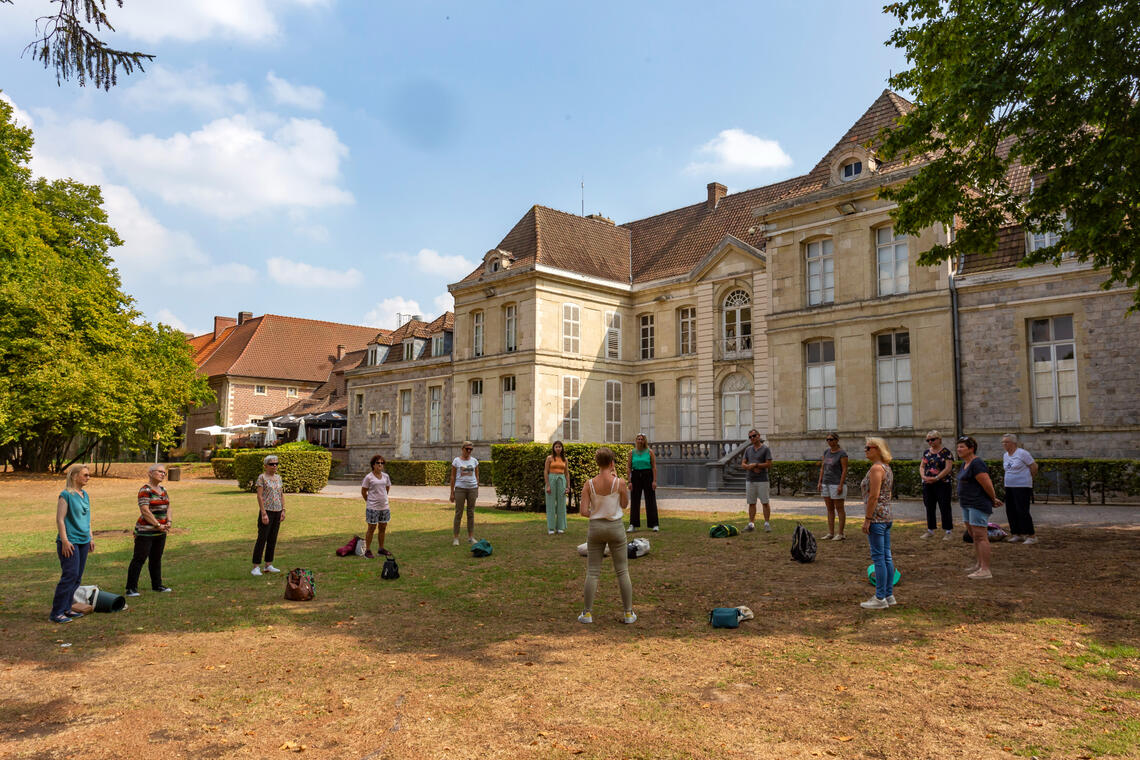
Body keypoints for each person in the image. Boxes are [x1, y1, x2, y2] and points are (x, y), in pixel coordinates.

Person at [577, 447, 635, 624]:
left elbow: (583, 512)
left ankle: (587, 613)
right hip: (615, 527)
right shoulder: (620, 483)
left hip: (596, 527)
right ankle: (628, 613)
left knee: (593, 572)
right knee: (622, 571)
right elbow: (625, 505)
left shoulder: (589, 484)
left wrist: (597, 511)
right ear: (612, 463)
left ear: (597, 463)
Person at [50, 463, 94, 623]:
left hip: (83, 540)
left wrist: (91, 537)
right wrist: (65, 541)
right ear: (75, 476)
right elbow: (60, 520)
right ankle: (56, 613)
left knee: (77, 578)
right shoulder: (65, 495)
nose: (88, 477)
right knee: (70, 575)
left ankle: (67, 608)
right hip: (70, 541)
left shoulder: (85, 494)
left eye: (88, 475)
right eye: (85, 475)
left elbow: (87, 518)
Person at [956, 436, 1003, 579]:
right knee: (973, 535)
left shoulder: (977, 464)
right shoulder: (964, 463)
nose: (959, 449)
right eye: (958, 447)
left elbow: (987, 484)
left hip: (977, 503)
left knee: (980, 536)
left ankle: (985, 569)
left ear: (971, 449)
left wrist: (992, 498)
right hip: (966, 504)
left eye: (962, 447)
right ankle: (979, 564)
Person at [125, 463, 172, 597]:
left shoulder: (163, 490)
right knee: (139, 559)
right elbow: (145, 511)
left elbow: (168, 507)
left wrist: (168, 522)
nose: (163, 474)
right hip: (145, 531)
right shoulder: (145, 490)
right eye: (160, 472)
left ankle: (157, 585)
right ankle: (131, 588)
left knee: (156, 559)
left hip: (161, 531)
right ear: (150, 473)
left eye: (164, 472)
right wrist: (158, 524)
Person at [860, 437, 896, 610]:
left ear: (877, 449)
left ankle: (880, 597)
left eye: (868, 448)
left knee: (879, 559)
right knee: (886, 556)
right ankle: (888, 595)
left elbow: (874, 496)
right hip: (886, 516)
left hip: (877, 518)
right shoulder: (886, 468)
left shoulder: (876, 469)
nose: (865, 450)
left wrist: (867, 519)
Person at [1001, 434, 1038, 544]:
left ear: (1013, 443)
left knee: (1022, 510)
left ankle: (1031, 535)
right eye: (1003, 442)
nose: (1004, 444)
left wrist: (1029, 478)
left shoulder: (1022, 453)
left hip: (1022, 486)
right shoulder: (1005, 455)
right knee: (1011, 510)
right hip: (1009, 485)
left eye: (1006, 442)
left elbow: (1034, 466)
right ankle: (1017, 533)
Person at [251, 455, 285, 576]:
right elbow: (259, 496)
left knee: (272, 538)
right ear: (266, 466)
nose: (274, 466)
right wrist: (263, 513)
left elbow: (281, 494)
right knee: (262, 538)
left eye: (276, 464)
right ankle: (256, 566)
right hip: (267, 511)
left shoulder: (278, 478)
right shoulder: (262, 478)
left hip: (277, 510)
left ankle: (268, 564)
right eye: (272, 464)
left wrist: (283, 510)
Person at [920, 430, 955, 540]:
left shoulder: (946, 452)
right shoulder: (926, 452)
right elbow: (922, 466)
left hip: (942, 484)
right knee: (929, 506)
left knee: (944, 506)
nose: (930, 442)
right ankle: (930, 530)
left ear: (939, 439)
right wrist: (924, 477)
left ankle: (948, 531)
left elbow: (948, 468)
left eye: (932, 439)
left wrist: (936, 478)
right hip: (928, 484)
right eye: (928, 440)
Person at [816, 433, 848, 540]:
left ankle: (841, 533)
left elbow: (844, 470)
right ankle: (830, 532)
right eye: (827, 440)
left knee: (839, 508)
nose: (829, 441)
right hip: (826, 483)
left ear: (837, 440)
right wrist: (820, 482)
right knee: (829, 509)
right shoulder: (826, 452)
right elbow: (823, 468)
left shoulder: (842, 453)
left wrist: (840, 485)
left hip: (836, 483)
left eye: (831, 439)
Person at [626, 434, 659, 532]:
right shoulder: (631, 452)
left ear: (645, 441)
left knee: (650, 500)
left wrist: (654, 481)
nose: (640, 441)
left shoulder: (650, 452)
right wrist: (629, 481)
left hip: (648, 475)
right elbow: (628, 467)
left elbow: (654, 467)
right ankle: (633, 524)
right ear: (636, 440)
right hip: (636, 476)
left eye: (642, 439)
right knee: (635, 500)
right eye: (638, 439)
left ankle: (654, 524)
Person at [361, 454, 392, 557]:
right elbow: (363, 491)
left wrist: (383, 499)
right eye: (377, 463)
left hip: (384, 507)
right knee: (371, 528)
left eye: (382, 463)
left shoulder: (386, 476)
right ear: (373, 465)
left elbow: (386, 489)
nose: (380, 465)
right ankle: (368, 550)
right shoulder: (369, 477)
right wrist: (369, 501)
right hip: (372, 507)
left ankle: (381, 548)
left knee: (383, 527)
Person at [741, 430, 773, 532]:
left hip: (762, 480)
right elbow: (743, 463)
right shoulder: (748, 450)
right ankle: (751, 524)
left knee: (765, 502)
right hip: (750, 479)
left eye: (754, 436)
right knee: (751, 503)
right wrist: (749, 467)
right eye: (750, 437)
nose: (752, 438)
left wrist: (756, 465)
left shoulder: (765, 449)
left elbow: (768, 464)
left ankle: (767, 523)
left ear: (759, 436)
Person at [449, 441, 480, 546]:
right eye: (467, 449)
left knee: (471, 513)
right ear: (462, 449)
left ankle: (471, 537)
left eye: (471, 449)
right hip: (460, 489)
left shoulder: (474, 461)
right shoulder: (456, 461)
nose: (469, 451)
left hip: (472, 489)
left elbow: (476, 475)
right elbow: (453, 477)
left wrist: (477, 489)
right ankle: (456, 538)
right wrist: (452, 493)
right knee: (459, 513)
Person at [543, 441, 568, 535]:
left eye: (560, 447)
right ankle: (551, 528)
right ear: (553, 448)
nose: (558, 448)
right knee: (550, 504)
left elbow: (566, 473)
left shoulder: (564, 459)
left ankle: (560, 527)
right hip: (551, 479)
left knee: (561, 504)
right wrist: (548, 485)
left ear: (562, 448)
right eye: (556, 447)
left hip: (561, 480)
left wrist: (568, 486)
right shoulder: (549, 458)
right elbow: (545, 471)